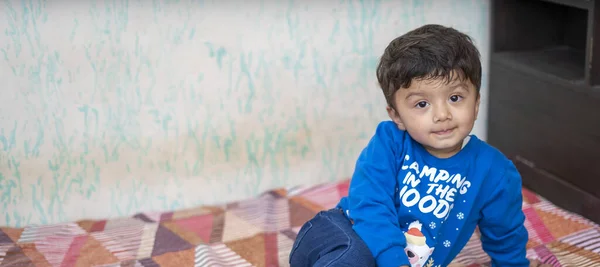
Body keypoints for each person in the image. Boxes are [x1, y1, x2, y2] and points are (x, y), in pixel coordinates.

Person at [289, 24, 548, 267]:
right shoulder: (390, 141)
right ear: (397, 116)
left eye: (455, 98)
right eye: (422, 104)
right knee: (355, 257)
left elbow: (505, 235)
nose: (442, 114)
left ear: (477, 102)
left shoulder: (495, 172)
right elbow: (370, 203)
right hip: (338, 232)